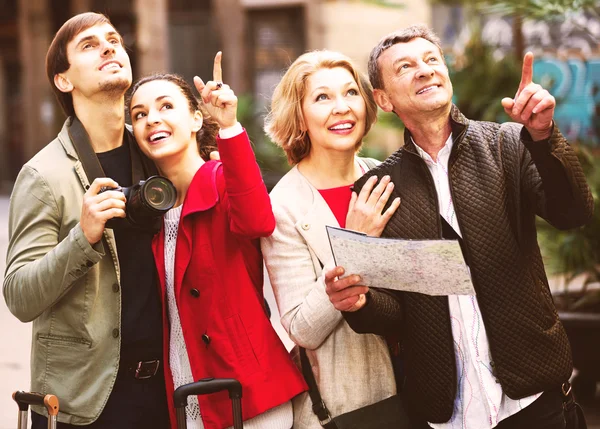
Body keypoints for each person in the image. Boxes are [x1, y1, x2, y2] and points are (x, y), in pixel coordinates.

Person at [325, 25, 594, 429]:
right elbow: (395, 313)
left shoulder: (508, 144)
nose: (424, 71)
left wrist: (543, 136)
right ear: (383, 99)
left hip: (535, 401)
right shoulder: (377, 188)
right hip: (448, 412)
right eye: (405, 67)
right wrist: (358, 302)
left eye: (432, 60)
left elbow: (572, 212)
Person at [3, 12, 169, 428]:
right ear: (64, 80)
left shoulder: (159, 156)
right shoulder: (43, 175)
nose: (110, 47)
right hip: (81, 405)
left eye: (114, 39)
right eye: (89, 45)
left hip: (165, 392)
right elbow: (19, 295)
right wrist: (83, 237)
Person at [127, 53, 306, 429]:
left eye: (165, 106)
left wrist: (229, 127)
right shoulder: (151, 208)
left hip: (246, 396)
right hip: (185, 392)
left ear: (195, 118)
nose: (152, 119)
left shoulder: (223, 178)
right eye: (140, 114)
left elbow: (259, 220)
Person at [261, 50, 406, 429]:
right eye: (322, 97)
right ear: (300, 116)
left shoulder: (385, 177)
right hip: (348, 408)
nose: (341, 107)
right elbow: (302, 329)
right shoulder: (284, 205)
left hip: (418, 396)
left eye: (350, 93)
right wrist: (353, 242)